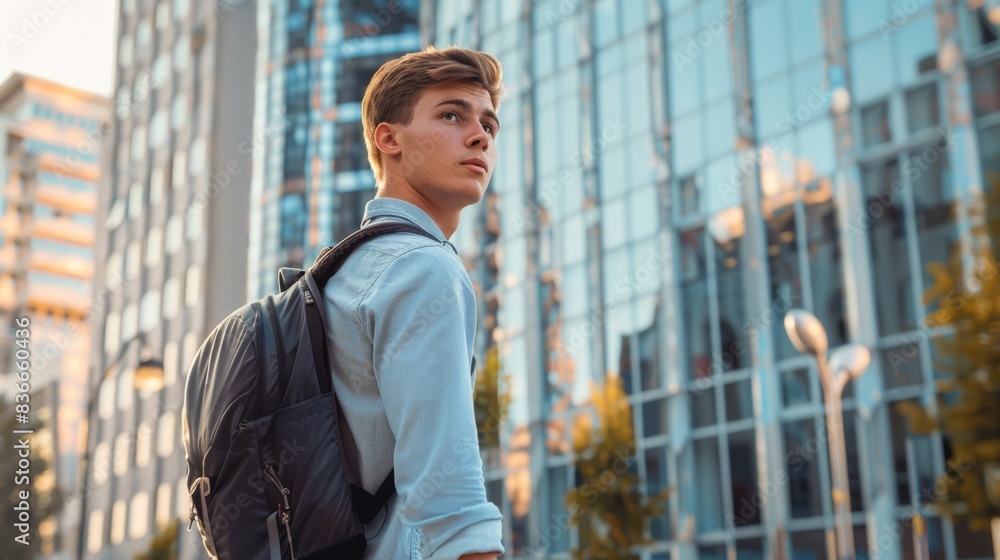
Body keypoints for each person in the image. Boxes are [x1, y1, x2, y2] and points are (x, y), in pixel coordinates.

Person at [321, 46, 505, 559]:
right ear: (388, 138)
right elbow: (452, 502)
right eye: (451, 114)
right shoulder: (422, 267)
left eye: (489, 125)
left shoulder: (340, 272)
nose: (479, 136)